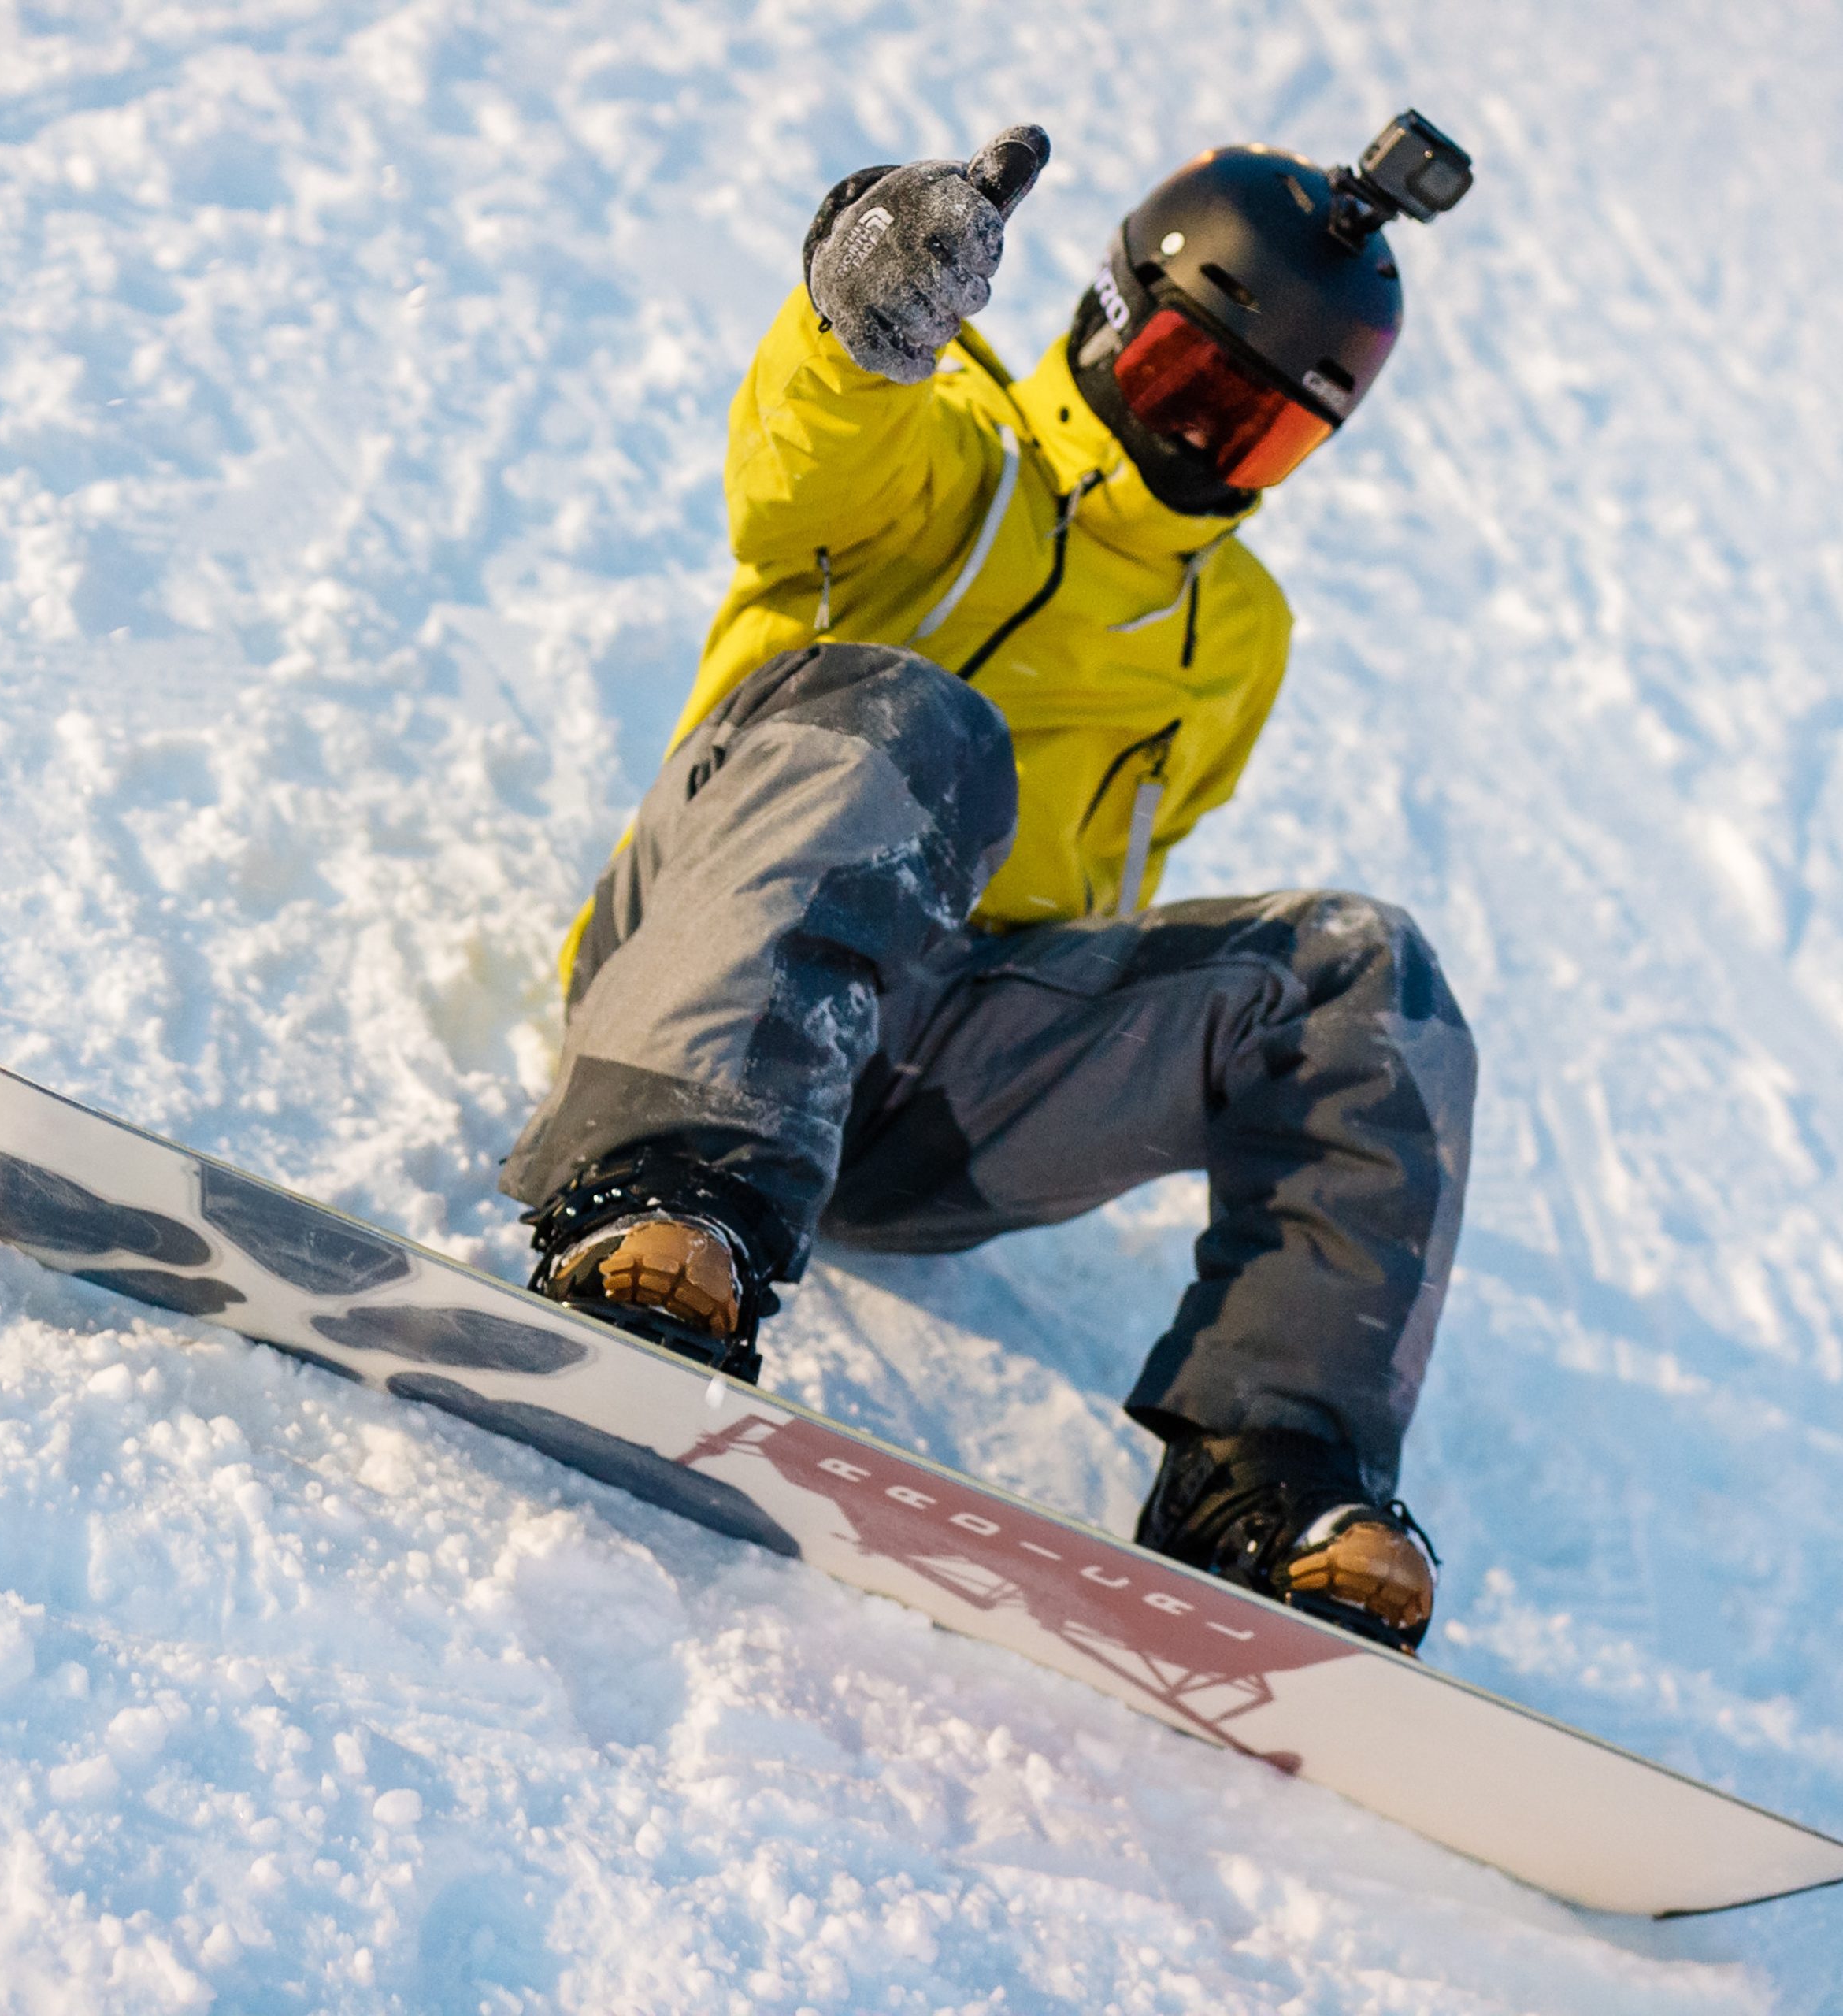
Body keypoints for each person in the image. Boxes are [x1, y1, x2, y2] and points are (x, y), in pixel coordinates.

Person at [501, 116, 1478, 1652]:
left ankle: (1272, 1474)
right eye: (1183, 385)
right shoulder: (951, 444)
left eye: (1255, 431)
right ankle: (660, 1191)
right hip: (711, 968)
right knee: (926, 722)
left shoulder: (1239, 631)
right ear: (1109, 319)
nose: (1200, 445)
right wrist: (863, 312)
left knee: (1365, 970)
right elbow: (805, 452)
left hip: (930, 1089)